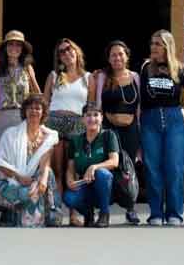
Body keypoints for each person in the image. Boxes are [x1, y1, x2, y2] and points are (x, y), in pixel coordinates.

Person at [139, 29, 184, 226]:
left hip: (174, 119)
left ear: (167, 46)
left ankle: (174, 213)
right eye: (152, 43)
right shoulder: (146, 67)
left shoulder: (179, 69)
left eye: (158, 44)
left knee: (174, 167)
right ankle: (155, 213)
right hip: (150, 119)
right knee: (152, 167)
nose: (153, 47)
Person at [88, 40, 141, 225]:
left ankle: (131, 208)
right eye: (113, 55)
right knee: (108, 167)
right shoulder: (102, 76)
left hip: (131, 129)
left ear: (127, 56)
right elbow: (96, 104)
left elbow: (139, 107)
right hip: (110, 130)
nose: (117, 57)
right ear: (108, 59)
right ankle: (103, 210)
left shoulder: (135, 77)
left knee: (129, 169)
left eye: (120, 54)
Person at [0, 94, 62, 227]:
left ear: (43, 112)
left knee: (45, 178)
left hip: (32, 182)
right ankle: (12, 214)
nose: (34, 111)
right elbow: (0, 162)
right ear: (24, 111)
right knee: (26, 193)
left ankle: (44, 215)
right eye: (30, 108)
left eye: (37, 108)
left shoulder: (49, 137)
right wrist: (18, 177)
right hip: (11, 179)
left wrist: (42, 180)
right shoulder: (11, 134)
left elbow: (45, 163)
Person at [43, 38, 90, 225]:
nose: (66, 53)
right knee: (57, 170)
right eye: (62, 51)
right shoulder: (54, 76)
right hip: (54, 122)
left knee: (75, 171)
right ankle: (57, 213)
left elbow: (91, 105)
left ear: (77, 51)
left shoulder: (88, 78)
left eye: (69, 49)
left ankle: (74, 213)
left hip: (77, 123)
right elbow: (45, 102)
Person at [63, 103, 119, 228]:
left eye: (96, 115)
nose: (92, 118)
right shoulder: (75, 140)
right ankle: (88, 214)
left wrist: (94, 167)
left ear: (101, 118)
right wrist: (70, 180)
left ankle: (104, 214)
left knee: (102, 174)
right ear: (83, 119)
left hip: (105, 185)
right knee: (68, 198)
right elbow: (70, 167)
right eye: (88, 115)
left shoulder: (108, 135)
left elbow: (114, 161)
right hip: (85, 183)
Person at [0, 30, 41, 154]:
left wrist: (38, 115)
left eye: (18, 45)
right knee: (1, 154)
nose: (14, 47)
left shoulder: (27, 68)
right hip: (2, 116)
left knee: (21, 153)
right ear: (5, 47)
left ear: (22, 49)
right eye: (10, 44)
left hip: (22, 117)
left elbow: (37, 92)